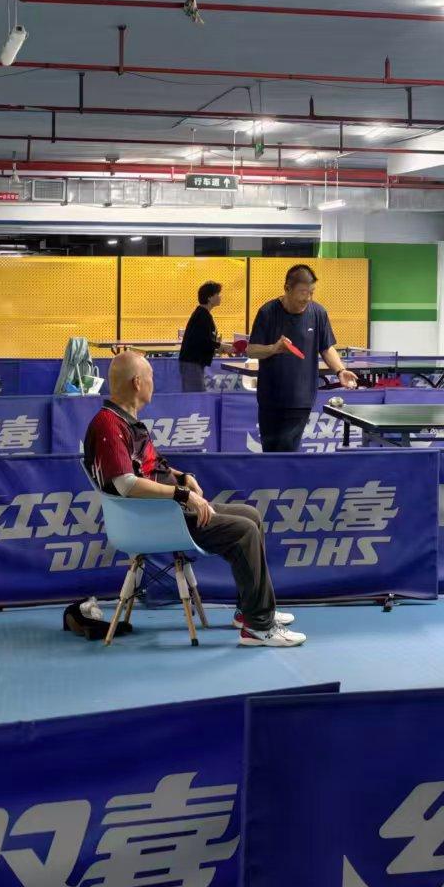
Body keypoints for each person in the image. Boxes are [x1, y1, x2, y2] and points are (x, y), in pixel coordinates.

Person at [83, 351, 305, 647]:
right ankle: (258, 628)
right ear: (137, 382)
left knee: (250, 516)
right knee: (244, 531)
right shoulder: (109, 425)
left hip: (166, 510)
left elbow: (150, 468)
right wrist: (182, 494)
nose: (152, 383)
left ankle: (249, 611)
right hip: (155, 519)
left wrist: (183, 477)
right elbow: (126, 485)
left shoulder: (128, 421)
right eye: (150, 377)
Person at [247, 263, 358, 452]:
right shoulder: (267, 312)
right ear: (287, 288)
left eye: (311, 292)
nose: (307, 298)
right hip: (269, 398)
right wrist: (274, 348)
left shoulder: (318, 313)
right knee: (270, 452)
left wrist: (340, 370)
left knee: (286, 449)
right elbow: (252, 350)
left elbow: (326, 347)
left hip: (301, 398)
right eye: (303, 292)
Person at [179, 280, 225, 393]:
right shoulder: (201, 316)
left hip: (195, 363)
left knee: (197, 396)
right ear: (210, 298)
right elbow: (203, 341)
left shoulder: (203, 314)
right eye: (217, 294)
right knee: (196, 397)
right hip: (192, 363)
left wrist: (219, 346)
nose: (220, 297)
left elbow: (205, 340)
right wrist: (222, 346)